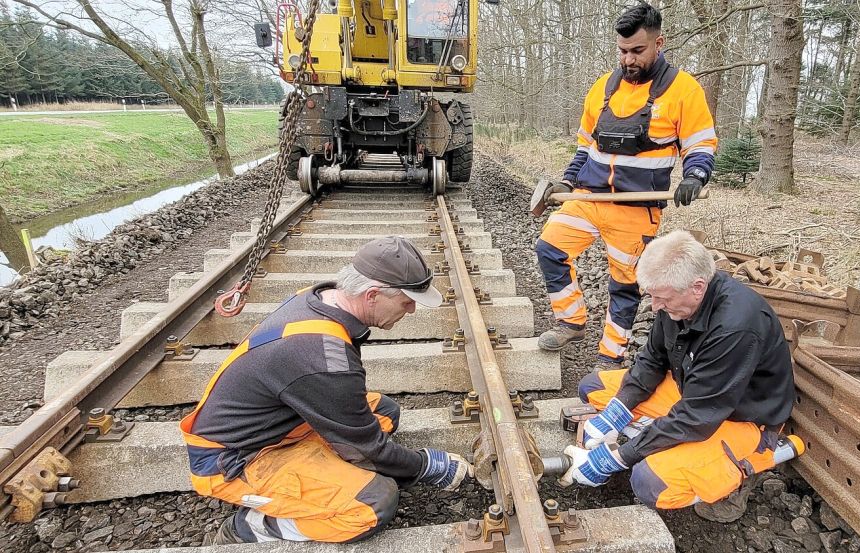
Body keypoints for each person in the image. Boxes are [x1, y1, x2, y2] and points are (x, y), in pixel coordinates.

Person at [180, 236, 474, 544]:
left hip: (279, 423)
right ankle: (250, 527)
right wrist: (427, 466)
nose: (412, 310)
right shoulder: (322, 357)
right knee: (375, 503)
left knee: (385, 411)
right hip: (237, 460)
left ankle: (330, 474)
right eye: (406, 301)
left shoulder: (320, 298)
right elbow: (367, 448)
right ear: (372, 295)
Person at [558, 231, 798, 523]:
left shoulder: (736, 327)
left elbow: (697, 416)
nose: (655, 306)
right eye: (653, 297)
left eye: (661, 299)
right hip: (695, 392)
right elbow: (651, 359)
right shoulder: (678, 300)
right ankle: (659, 437)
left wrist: (618, 458)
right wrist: (615, 414)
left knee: (650, 484)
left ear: (698, 287)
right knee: (593, 387)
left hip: (740, 417)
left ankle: (745, 467)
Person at [535, 2, 718, 371]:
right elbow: (586, 144)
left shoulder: (684, 90)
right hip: (589, 196)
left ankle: (610, 356)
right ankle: (571, 321)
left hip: (637, 208)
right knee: (549, 247)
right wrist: (568, 180)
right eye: (622, 51)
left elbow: (700, 144)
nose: (629, 60)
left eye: (637, 51)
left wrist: (695, 176)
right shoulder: (604, 87)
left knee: (625, 285)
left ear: (658, 43)